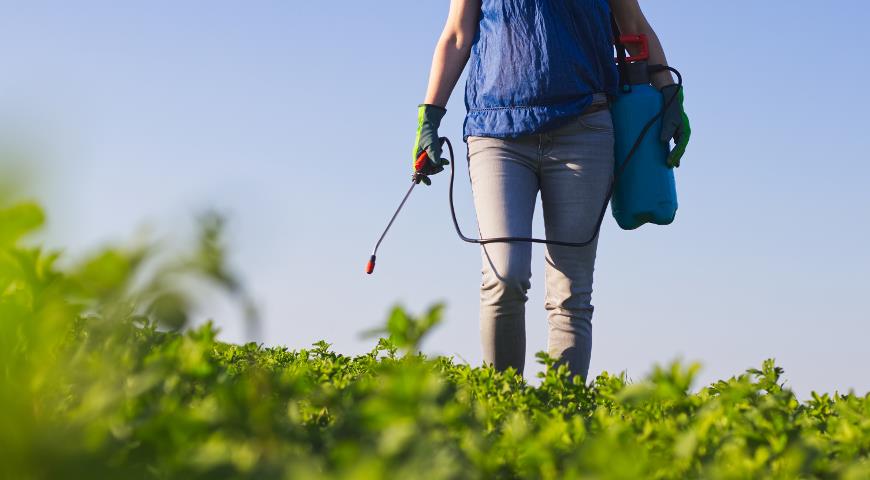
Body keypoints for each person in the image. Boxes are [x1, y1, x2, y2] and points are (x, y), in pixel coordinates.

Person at [411, 0, 690, 381]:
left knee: (571, 293)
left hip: (585, 128)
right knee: (503, 275)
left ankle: (560, 422)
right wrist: (430, 115)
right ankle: (502, 407)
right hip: (496, 132)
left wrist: (668, 94)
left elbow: (632, 23)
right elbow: (458, 33)